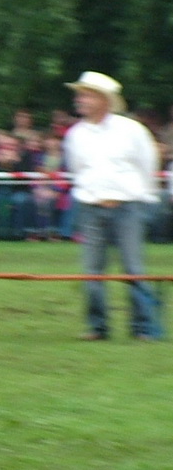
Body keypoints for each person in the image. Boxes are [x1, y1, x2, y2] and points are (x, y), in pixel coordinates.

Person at [62, 72, 160, 341]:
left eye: (85, 94)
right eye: (79, 94)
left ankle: (143, 328)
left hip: (128, 206)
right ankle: (97, 327)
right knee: (92, 271)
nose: (79, 100)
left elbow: (147, 165)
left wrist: (143, 199)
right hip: (91, 207)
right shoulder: (76, 135)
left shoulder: (132, 130)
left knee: (133, 269)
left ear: (103, 99)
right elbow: (77, 170)